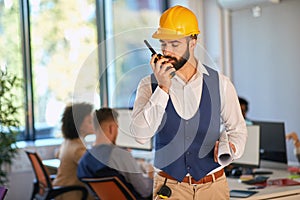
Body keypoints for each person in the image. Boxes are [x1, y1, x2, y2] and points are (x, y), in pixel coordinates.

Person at [129, 5, 247, 199]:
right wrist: (163, 88)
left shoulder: (219, 83)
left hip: (213, 187)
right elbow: (141, 135)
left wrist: (233, 147)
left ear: (193, 42)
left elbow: (238, 129)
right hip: (170, 188)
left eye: (175, 44)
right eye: (163, 44)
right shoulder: (148, 85)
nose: (167, 51)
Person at [77, 108, 153, 199]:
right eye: (117, 127)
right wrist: (150, 174)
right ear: (111, 128)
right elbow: (145, 190)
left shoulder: (84, 161)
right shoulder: (121, 155)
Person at [52, 102, 94, 200]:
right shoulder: (78, 149)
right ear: (79, 124)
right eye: (90, 122)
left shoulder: (68, 142)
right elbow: (94, 167)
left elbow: (57, 154)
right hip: (71, 194)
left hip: (60, 191)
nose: (93, 125)